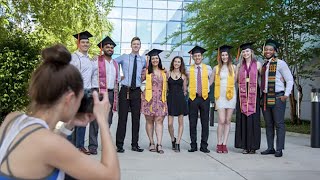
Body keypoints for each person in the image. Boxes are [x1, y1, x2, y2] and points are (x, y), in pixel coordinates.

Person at [0, 44, 120, 180]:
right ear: (69, 99)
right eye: (79, 99)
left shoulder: (13, 119)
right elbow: (111, 176)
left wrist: (69, 125)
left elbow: (48, 146)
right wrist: (103, 121)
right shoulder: (50, 144)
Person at [260, 39, 294, 157]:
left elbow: (289, 79)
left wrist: (286, 95)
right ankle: (270, 148)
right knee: (268, 124)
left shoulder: (280, 63)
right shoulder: (264, 65)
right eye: (266, 49)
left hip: (278, 97)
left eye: (270, 49)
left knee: (279, 124)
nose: (268, 51)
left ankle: (279, 149)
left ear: (274, 51)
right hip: (265, 97)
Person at [88, 36, 120, 155]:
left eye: (112, 47)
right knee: (95, 120)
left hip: (111, 93)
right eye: (107, 46)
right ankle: (93, 146)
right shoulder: (95, 61)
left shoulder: (115, 64)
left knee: (108, 120)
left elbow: (116, 80)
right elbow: (89, 75)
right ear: (102, 48)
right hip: (98, 92)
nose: (110, 48)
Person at [115, 37, 146, 153]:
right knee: (122, 118)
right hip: (125, 90)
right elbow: (111, 63)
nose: (136, 46)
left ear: (140, 46)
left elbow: (149, 70)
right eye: (134, 44)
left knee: (136, 119)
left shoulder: (143, 60)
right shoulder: (124, 57)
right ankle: (119, 145)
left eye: (138, 44)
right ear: (131, 45)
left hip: (137, 91)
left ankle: (135, 144)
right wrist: (119, 78)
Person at [69, 30, 94, 155]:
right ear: (78, 43)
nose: (85, 44)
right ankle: (68, 146)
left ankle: (80, 146)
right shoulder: (74, 57)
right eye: (83, 42)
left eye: (87, 42)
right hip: (77, 91)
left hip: (88, 92)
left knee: (83, 120)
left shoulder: (89, 59)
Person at [234, 42, 262, 154]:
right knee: (243, 119)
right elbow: (235, 80)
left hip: (254, 94)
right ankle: (245, 146)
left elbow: (264, 77)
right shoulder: (239, 66)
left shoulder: (258, 64)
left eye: (247, 51)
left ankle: (253, 146)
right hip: (242, 94)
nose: (246, 53)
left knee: (253, 119)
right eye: (244, 51)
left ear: (251, 52)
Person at [210, 45, 236, 153]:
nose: (224, 57)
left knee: (228, 120)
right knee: (221, 120)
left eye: (226, 55)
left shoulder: (234, 67)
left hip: (231, 96)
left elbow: (238, 81)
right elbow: (210, 81)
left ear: (229, 56)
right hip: (219, 96)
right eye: (222, 55)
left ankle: (224, 144)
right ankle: (219, 143)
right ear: (220, 56)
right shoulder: (216, 68)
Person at [186, 46, 213, 153]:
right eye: (195, 56)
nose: (197, 57)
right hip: (193, 97)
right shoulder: (189, 69)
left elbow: (212, 79)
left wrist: (208, 87)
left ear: (202, 57)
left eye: (199, 56)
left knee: (205, 122)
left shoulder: (209, 68)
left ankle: (204, 145)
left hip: (205, 98)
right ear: (192, 57)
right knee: (192, 122)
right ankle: (193, 145)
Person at [141, 49, 168, 154]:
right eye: (153, 58)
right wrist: (142, 94)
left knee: (159, 121)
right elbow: (139, 83)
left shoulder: (164, 72)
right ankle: (151, 142)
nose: (155, 60)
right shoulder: (146, 71)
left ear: (159, 59)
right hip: (148, 100)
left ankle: (159, 144)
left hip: (161, 100)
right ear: (150, 60)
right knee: (149, 121)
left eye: (156, 58)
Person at [167, 56, 188, 152]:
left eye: (179, 62)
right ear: (173, 63)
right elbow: (166, 88)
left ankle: (178, 142)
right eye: (175, 61)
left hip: (180, 100)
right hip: (170, 99)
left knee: (180, 123)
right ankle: (173, 139)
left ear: (181, 64)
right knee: (170, 124)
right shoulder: (168, 74)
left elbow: (185, 90)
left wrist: (183, 98)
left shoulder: (184, 76)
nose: (177, 63)